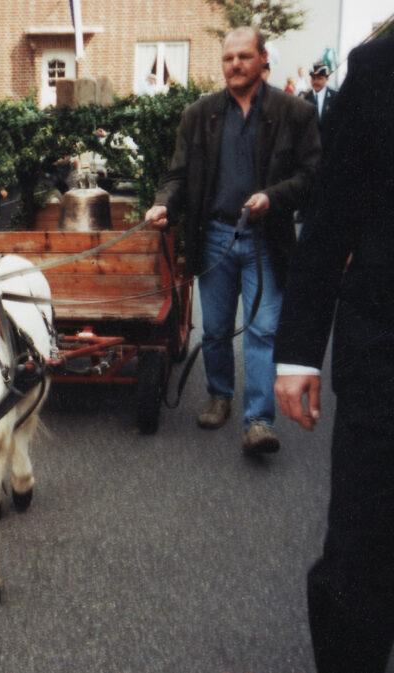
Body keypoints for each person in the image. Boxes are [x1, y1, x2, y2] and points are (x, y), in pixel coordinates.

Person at [274, 36, 394, 673]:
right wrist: (297, 353)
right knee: (363, 552)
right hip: (385, 356)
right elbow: (331, 216)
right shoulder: (378, 70)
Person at [144, 26, 320, 455]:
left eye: (244, 56)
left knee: (263, 331)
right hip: (216, 237)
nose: (235, 65)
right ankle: (219, 395)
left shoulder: (294, 112)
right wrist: (164, 203)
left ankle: (258, 421)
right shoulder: (198, 114)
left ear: (263, 60)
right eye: (228, 58)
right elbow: (178, 177)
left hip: (267, 239)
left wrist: (272, 197)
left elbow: (312, 176)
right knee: (218, 329)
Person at [300, 62, 337, 126]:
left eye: (319, 78)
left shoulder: (335, 97)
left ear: (327, 78)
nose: (316, 82)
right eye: (313, 78)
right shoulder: (303, 97)